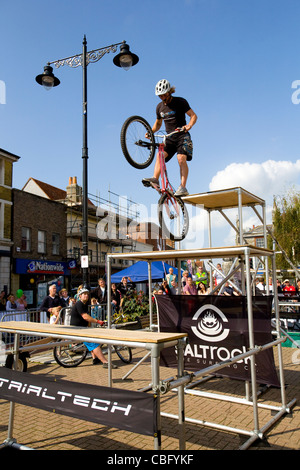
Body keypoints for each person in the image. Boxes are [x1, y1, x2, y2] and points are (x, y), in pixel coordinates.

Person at [142, 79, 197, 197]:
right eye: (159, 96)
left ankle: (183, 187)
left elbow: (193, 115)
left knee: (181, 158)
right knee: (160, 155)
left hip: (182, 135)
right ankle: (155, 179)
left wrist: (189, 125)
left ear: (169, 92)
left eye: (163, 95)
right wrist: (150, 132)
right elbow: (158, 124)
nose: (162, 97)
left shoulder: (180, 102)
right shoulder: (159, 107)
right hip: (169, 138)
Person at [70, 288, 117, 368]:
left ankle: (95, 358)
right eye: (84, 294)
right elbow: (85, 317)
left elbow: (87, 319)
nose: (86, 296)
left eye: (87, 294)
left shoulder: (85, 305)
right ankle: (105, 362)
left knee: (95, 337)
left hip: (82, 328)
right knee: (93, 343)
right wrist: (98, 321)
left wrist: (91, 328)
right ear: (80, 296)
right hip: (77, 329)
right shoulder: (79, 304)